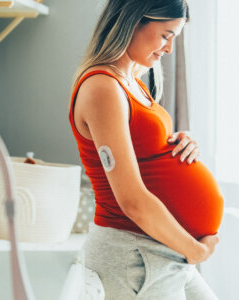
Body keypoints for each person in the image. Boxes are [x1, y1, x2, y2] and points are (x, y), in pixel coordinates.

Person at [68, 0, 224, 299]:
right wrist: (196, 250)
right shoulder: (103, 87)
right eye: (166, 35)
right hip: (136, 256)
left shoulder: (132, 83)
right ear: (133, 20)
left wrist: (178, 141)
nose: (168, 50)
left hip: (162, 251)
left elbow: (142, 150)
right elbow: (132, 201)